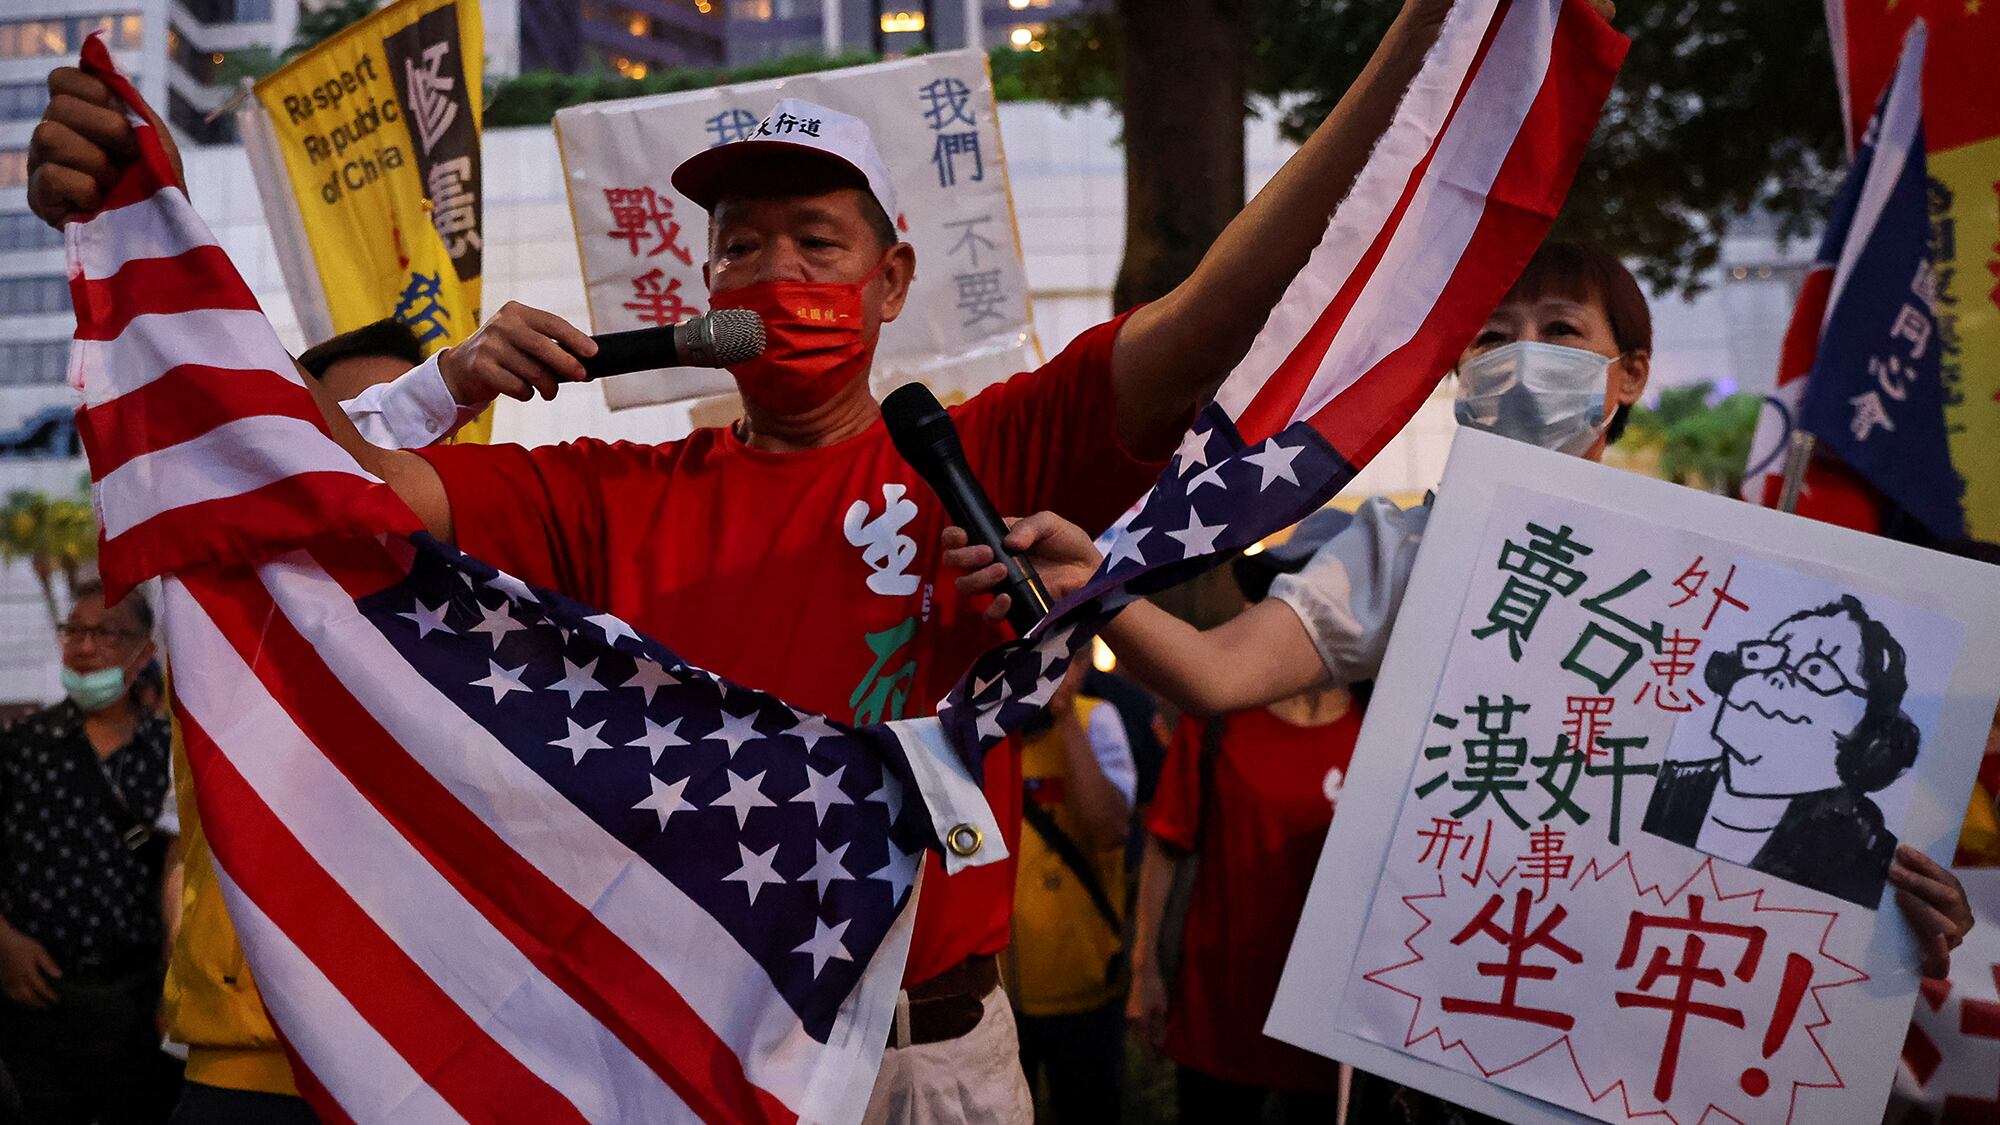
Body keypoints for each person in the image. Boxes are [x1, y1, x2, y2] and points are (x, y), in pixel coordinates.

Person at [29, 2, 1501, 1115]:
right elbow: (305, 493)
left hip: (945, 1057)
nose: (779, 279)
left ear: (894, 277)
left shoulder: (987, 449)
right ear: (700, 285)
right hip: (706, 1061)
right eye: (742, 247)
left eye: (817, 242)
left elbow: (1217, 307)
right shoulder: (603, 494)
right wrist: (441, 386)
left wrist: (1424, 50)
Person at [944, 238, 1975, 982]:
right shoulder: (1408, 545)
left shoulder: (1742, 588)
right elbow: (1215, 675)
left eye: (1559, 331)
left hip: (1655, 1003)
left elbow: (1763, 817)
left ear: (1628, 376)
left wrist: (1881, 912)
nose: (1520, 357)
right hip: (1472, 995)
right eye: (1490, 337)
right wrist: (1098, 585)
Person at [160, 319, 487, 1124]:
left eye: (402, 436)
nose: (365, 464)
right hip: (256, 1069)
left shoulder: (496, 606)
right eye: (344, 423)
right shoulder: (229, 579)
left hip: (447, 1065)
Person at [1123, 548, 1364, 1122]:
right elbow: (1165, 846)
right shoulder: (1217, 713)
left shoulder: (1381, 722)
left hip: (1332, 1026)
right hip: (1220, 1013)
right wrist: (1145, 973)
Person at [0, 582, 180, 1123]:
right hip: (33, 1002)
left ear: (143, 652)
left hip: (136, 1002)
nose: (83, 646)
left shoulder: (170, 754)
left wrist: (171, 987)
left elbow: (182, 871)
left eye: (103, 632)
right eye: (72, 630)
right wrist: (3, 941)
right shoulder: (20, 747)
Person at [1643, 596, 1920, 908]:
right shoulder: (1661, 785)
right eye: (1769, 655)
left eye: (1816, 670)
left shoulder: (1868, 855)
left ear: (1870, 732)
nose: (1775, 675)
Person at [1007, 661, 1136, 1124]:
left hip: (1084, 988)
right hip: (1002, 997)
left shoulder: (1094, 719)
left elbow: (1111, 827)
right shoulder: (991, 735)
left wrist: (1064, 717)